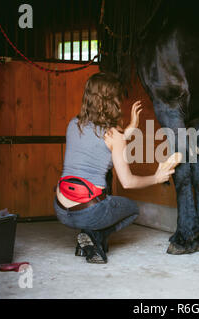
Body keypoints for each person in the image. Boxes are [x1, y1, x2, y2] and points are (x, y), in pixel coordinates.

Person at [53, 72, 175, 264]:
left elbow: (97, 146)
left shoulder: (73, 124)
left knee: (95, 200)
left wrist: (129, 130)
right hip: (89, 211)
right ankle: (94, 238)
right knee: (132, 209)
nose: (120, 101)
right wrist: (157, 178)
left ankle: (85, 239)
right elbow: (127, 182)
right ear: (110, 100)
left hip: (61, 210)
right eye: (118, 97)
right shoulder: (114, 136)